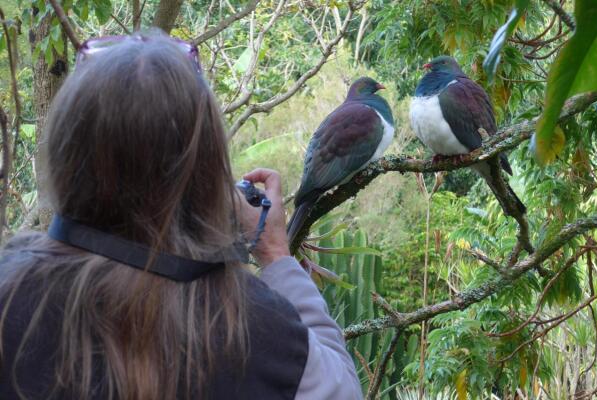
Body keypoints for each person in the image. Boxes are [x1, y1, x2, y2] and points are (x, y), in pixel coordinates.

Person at [0, 32, 361, 399]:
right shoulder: (259, 329)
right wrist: (275, 255)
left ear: (65, 156)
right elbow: (342, 390)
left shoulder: (10, 296)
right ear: (207, 172)